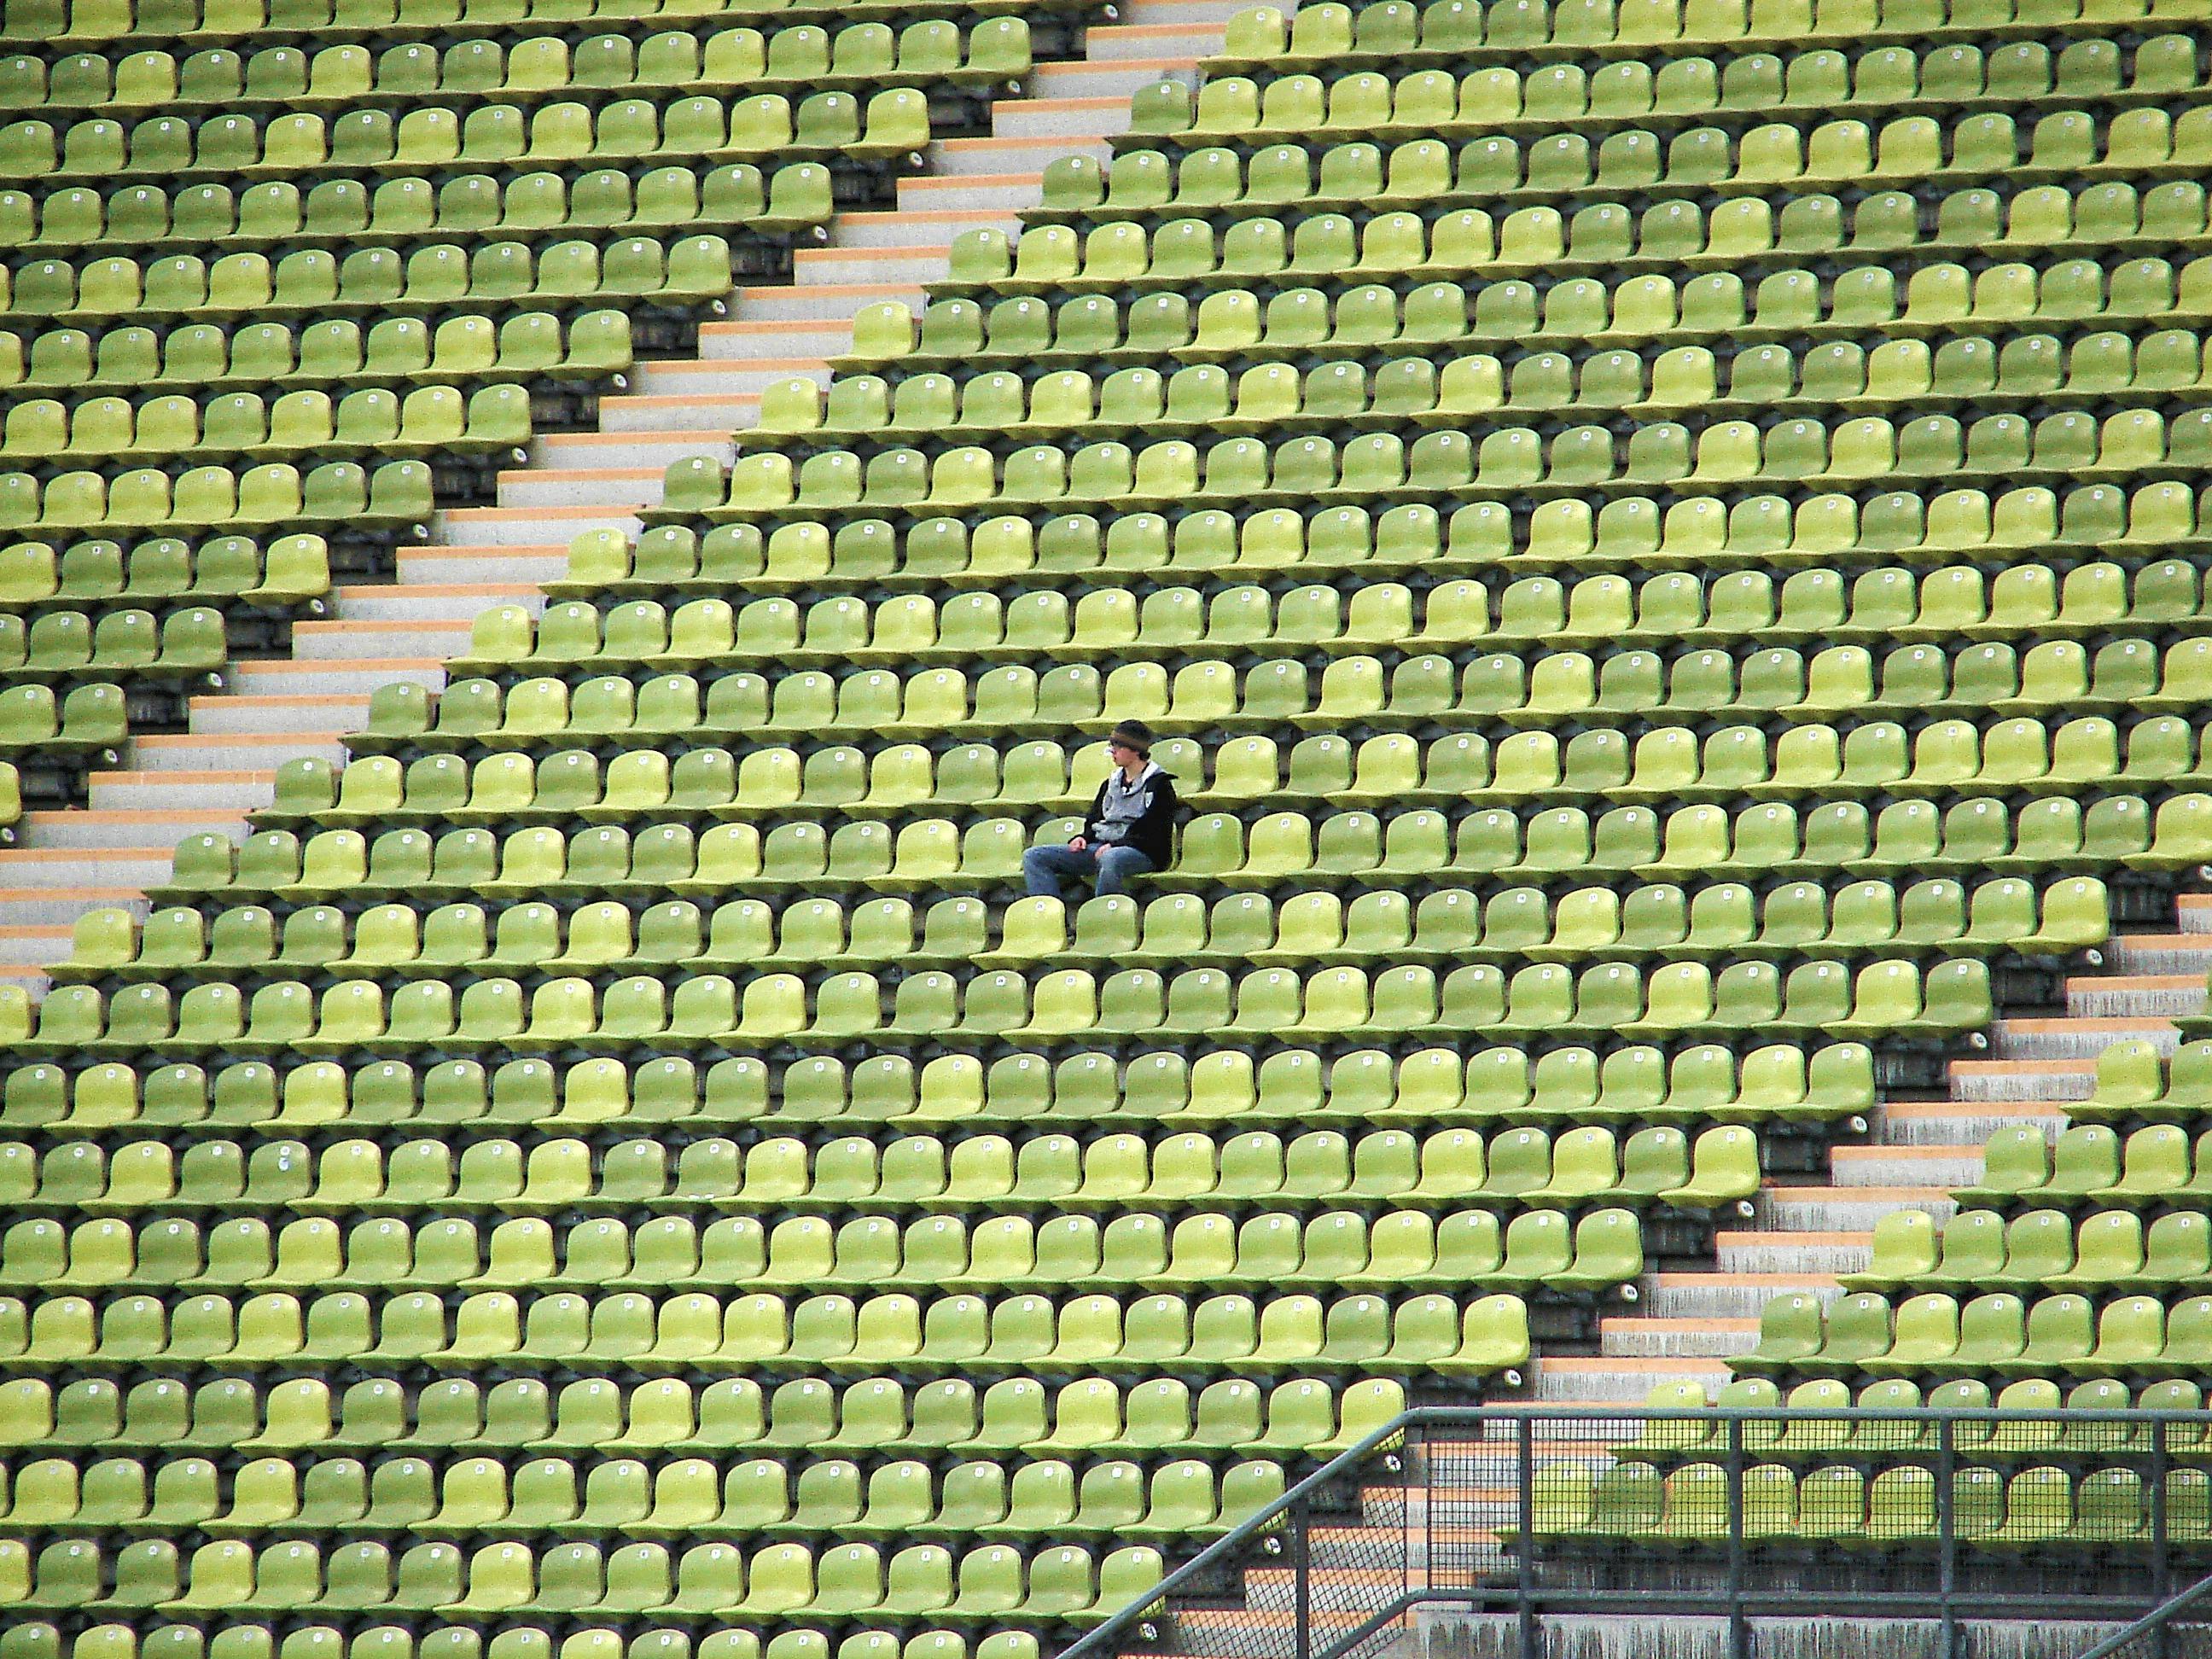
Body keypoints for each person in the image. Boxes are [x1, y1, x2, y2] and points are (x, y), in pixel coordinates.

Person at [1022, 720, 1179, 900]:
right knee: (1034, 857)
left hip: (1141, 852)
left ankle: (1103, 914)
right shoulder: (1110, 784)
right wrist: (1082, 838)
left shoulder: (1160, 787)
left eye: (1118, 746)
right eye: (1112, 745)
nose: (1112, 751)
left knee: (1110, 858)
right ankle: (1051, 915)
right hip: (1101, 846)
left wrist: (1115, 845)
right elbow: (1094, 820)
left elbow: (1153, 833)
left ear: (1135, 750)